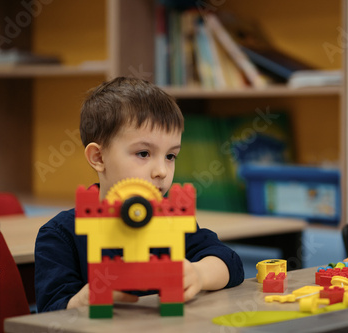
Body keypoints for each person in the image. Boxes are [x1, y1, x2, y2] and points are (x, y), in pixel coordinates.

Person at [34, 77, 245, 312]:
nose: (162, 171)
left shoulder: (170, 219)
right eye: (143, 153)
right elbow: (48, 314)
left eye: (170, 156)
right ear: (99, 158)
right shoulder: (60, 235)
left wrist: (199, 273)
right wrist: (80, 302)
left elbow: (231, 262)